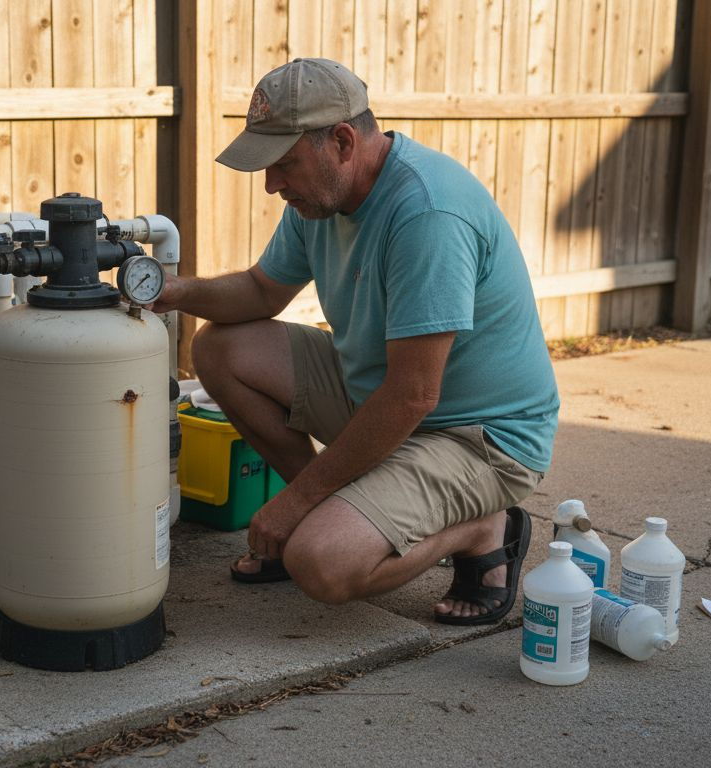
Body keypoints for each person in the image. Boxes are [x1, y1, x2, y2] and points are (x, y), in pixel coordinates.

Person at [151, 58, 559, 625]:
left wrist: (294, 503)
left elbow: (414, 395)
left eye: (284, 164)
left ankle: (485, 528)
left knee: (322, 563)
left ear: (342, 142)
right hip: (383, 398)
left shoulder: (427, 214)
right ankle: (324, 513)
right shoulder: (322, 198)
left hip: (477, 439)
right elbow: (261, 291)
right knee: (220, 349)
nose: (271, 184)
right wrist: (175, 292)